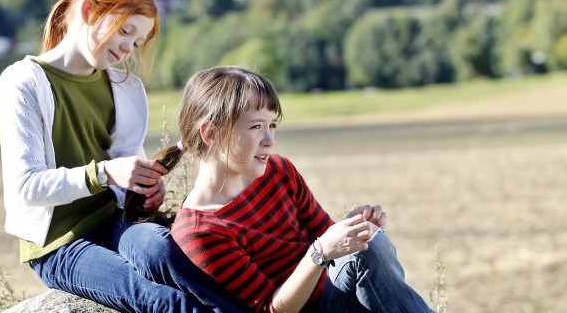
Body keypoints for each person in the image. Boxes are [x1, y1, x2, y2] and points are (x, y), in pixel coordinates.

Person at [0, 0, 245, 313]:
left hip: (116, 220)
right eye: (124, 31)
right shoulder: (24, 82)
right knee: (163, 301)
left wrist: (143, 188)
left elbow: (124, 168)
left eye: (137, 41)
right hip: (59, 244)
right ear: (88, 11)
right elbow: (27, 187)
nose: (128, 48)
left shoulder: (126, 88)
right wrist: (105, 173)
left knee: (162, 251)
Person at [154, 66, 435, 312]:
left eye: (272, 125)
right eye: (256, 127)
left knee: (368, 239)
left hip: (335, 294)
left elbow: (325, 235)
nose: (269, 140)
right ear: (210, 133)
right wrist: (320, 253)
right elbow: (270, 309)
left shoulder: (279, 171)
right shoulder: (199, 232)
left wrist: (351, 227)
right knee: (365, 252)